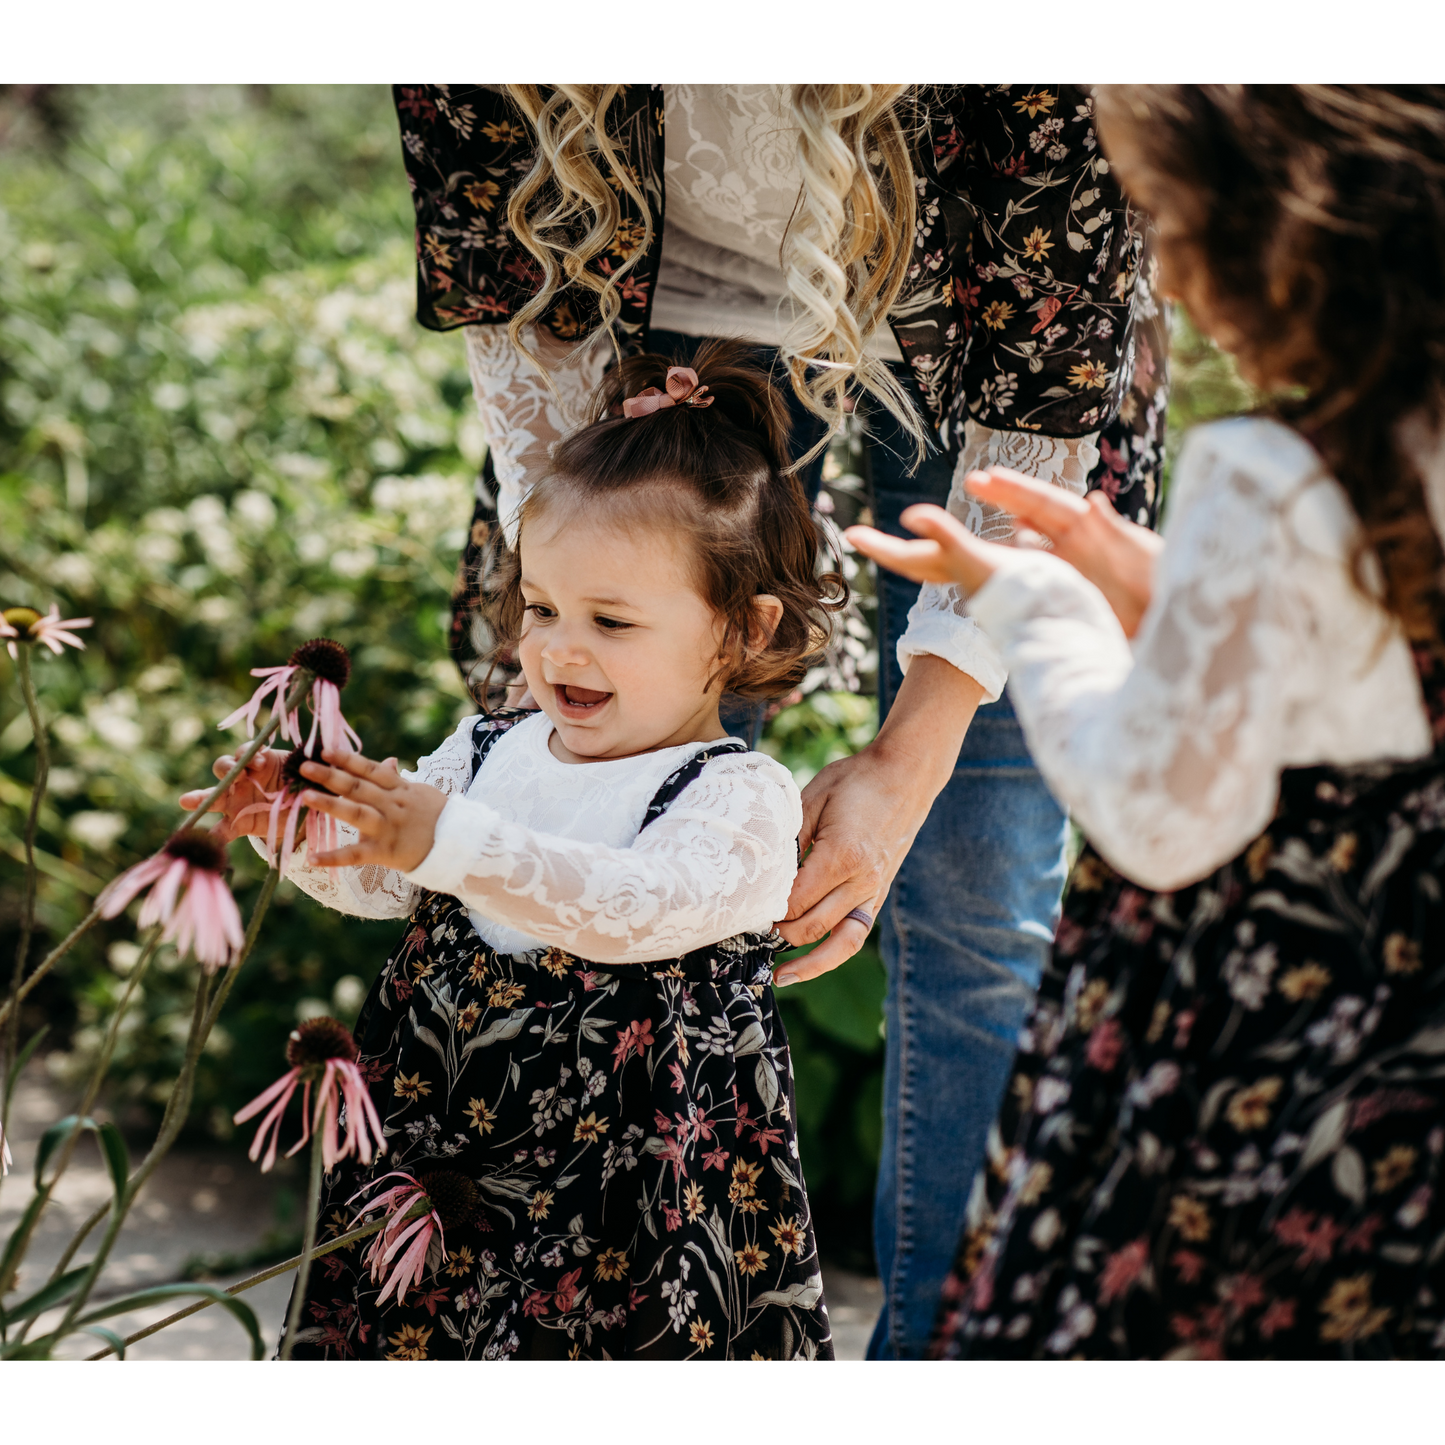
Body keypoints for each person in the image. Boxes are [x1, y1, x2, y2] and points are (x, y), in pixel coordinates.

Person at [391, 83, 1169, 1357]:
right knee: (601, 820)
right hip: (654, 299)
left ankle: (960, 1370)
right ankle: (609, 1331)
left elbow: (1048, 353)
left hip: (995, 312)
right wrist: (581, 598)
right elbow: (507, 261)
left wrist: (910, 761)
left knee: (977, 871)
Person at [849, 84, 1445, 1358]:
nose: (1160, 269)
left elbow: (1163, 811)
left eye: (1171, 219)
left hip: (1261, 1040)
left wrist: (1035, 606)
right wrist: (1176, 594)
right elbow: (1369, 674)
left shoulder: (1266, 473)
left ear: (1291, 225)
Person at [192, 343, 841, 1359]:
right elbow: (389, 878)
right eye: (539, 607)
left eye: (610, 620)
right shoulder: (489, 747)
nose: (557, 648)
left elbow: (632, 906)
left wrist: (451, 837)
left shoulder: (735, 795)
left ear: (742, 631)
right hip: (439, 1140)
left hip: (625, 1193)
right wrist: (302, 827)